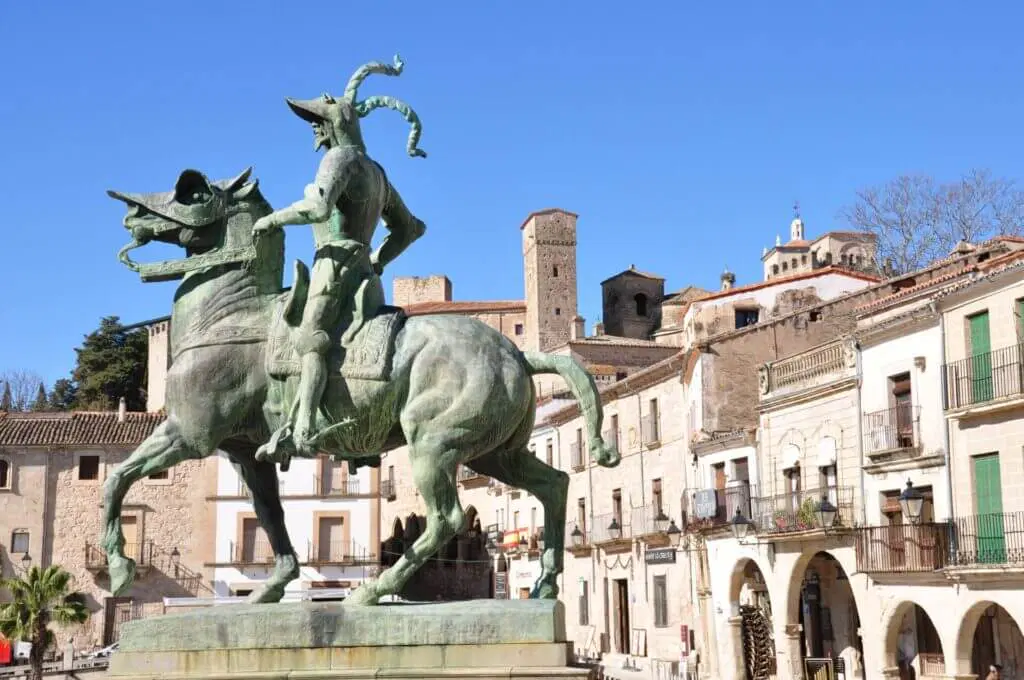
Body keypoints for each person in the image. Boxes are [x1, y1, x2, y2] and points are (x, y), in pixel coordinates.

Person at [253, 55, 427, 461]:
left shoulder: (339, 159)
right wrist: (379, 260)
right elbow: (411, 228)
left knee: (311, 341)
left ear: (335, 124)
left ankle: (304, 427)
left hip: (332, 267)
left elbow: (316, 209)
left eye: (317, 121)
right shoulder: (378, 173)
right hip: (366, 272)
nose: (314, 128)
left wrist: (271, 221)